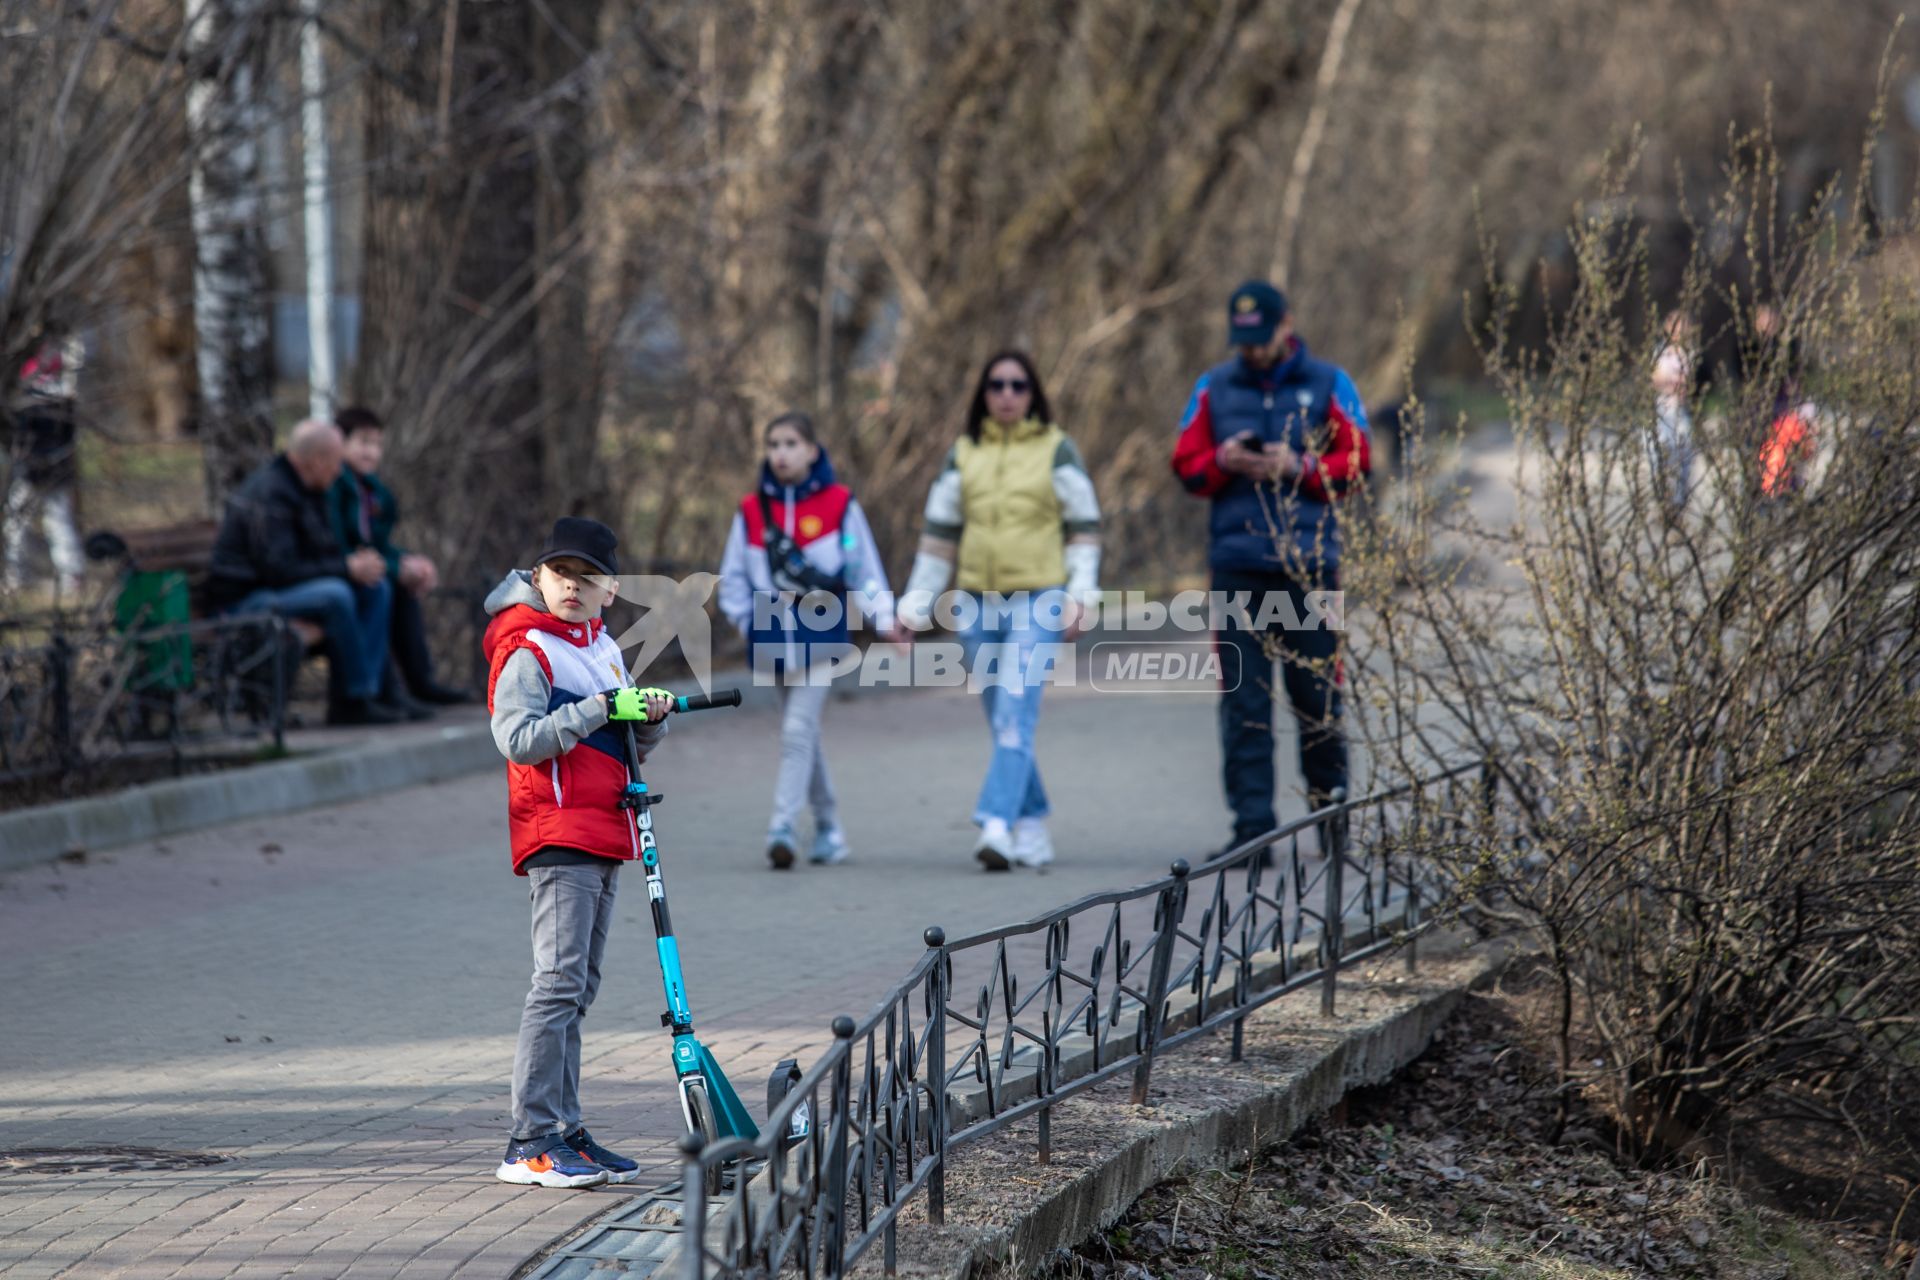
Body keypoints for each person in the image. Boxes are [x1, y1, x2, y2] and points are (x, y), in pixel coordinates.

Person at [481, 516, 671, 1188]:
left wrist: (645, 722)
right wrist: (599, 706)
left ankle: (565, 1129)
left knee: (578, 988)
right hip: (556, 831)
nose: (572, 587)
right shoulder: (528, 648)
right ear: (539, 577)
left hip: (602, 828)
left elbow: (623, 746)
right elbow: (519, 740)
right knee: (556, 985)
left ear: (610, 590)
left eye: (587, 578)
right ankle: (529, 1141)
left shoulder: (604, 649)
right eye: (561, 574)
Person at [1170, 280, 1370, 856]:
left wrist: (1300, 465)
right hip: (1237, 568)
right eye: (1243, 340)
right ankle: (1251, 831)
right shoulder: (1212, 386)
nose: (1251, 350)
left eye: (1261, 339)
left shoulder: (1331, 383)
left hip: (1311, 573)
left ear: (1287, 326)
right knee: (1244, 700)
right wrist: (1221, 460)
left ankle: (1331, 819)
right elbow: (1185, 465)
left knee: (1317, 695)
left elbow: (1358, 463)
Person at [900, 351, 1103, 871]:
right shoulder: (964, 453)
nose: (1008, 395)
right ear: (983, 393)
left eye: (1018, 385)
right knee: (1004, 717)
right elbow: (938, 539)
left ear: (1032, 392)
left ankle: (994, 822)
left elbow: (1084, 528)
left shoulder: (1057, 449)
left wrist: (1082, 596)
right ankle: (1032, 820)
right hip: (974, 603)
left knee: (1015, 706)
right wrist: (914, 608)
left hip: (1040, 599)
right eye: (997, 385)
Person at [717, 411, 894, 870]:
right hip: (771, 631)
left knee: (796, 731)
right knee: (804, 734)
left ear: (813, 451)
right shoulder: (752, 511)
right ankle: (831, 828)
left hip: (822, 628)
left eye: (791, 443)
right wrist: (745, 623)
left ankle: (782, 827)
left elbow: (863, 570)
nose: (781, 453)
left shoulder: (839, 504)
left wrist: (887, 619)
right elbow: (733, 576)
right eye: (774, 444)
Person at [206, 419, 408, 726]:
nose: (339, 471)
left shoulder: (309, 488)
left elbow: (322, 550)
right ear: (315, 461)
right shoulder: (272, 493)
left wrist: (357, 564)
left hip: (283, 592)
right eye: (335, 463)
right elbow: (278, 570)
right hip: (244, 600)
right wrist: (345, 569)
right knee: (336, 595)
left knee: (374, 588)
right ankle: (354, 699)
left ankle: (367, 694)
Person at [328, 406, 471, 705]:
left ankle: (419, 682)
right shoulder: (334, 484)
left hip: (364, 570)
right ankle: (377, 690)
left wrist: (409, 562)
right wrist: (394, 568)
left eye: (378, 444)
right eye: (364, 442)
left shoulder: (372, 490)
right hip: (339, 574)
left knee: (401, 584)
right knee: (383, 586)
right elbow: (339, 544)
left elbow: (377, 544)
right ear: (339, 442)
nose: (372, 452)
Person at [3, 320, 87, 598]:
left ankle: (69, 575)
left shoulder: (56, 395)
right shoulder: (26, 393)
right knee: (22, 523)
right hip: (33, 468)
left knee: (55, 520)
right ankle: (20, 575)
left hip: (48, 467)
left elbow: (67, 438)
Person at [1651, 311, 1696, 507]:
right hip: (1662, 411)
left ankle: (1679, 502)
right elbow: (1654, 379)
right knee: (1660, 455)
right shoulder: (1661, 352)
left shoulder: (1692, 353)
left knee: (1684, 457)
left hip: (1683, 411)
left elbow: (1696, 383)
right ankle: (1662, 499)